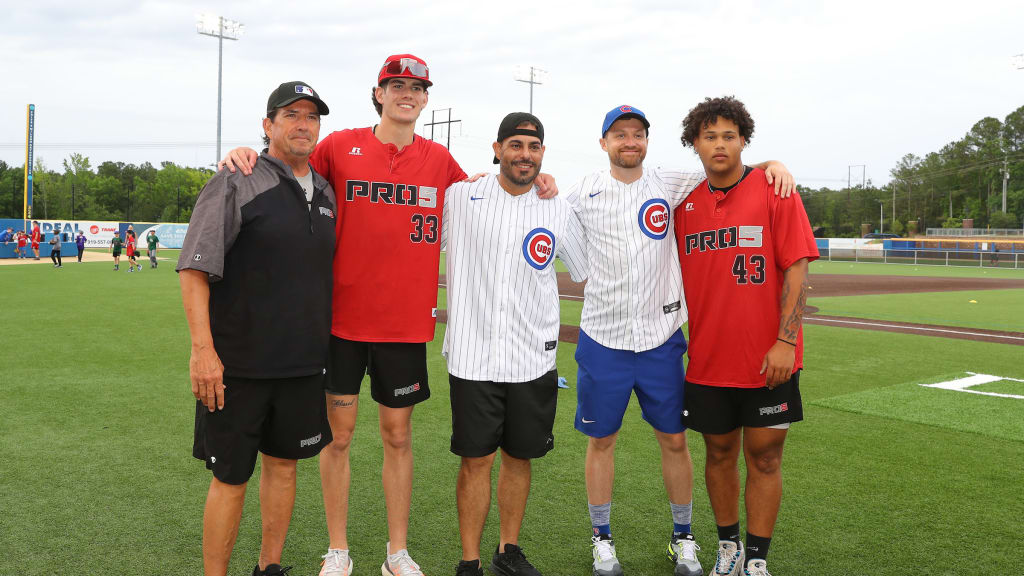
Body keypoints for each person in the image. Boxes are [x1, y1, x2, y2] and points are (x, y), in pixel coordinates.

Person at [220, 54, 557, 576]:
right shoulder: (339, 145)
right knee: (339, 436)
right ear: (378, 93)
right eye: (396, 85)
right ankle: (339, 549)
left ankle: (396, 552)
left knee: (398, 437)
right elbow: (292, 170)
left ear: (426, 98)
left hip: (403, 327)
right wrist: (247, 151)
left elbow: (491, 190)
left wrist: (541, 180)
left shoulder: (440, 161)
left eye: (417, 88)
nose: (407, 94)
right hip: (340, 323)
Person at [564, 105, 794, 576]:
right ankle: (601, 539)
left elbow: (728, 163)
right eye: (620, 135)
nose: (629, 142)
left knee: (674, 439)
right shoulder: (579, 194)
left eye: (638, 134)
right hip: (602, 338)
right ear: (603, 142)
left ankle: (683, 537)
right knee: (601, 440)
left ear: (647, 142)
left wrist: (773, 164)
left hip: (660, 339)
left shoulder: (672, 182)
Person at [177, 81, 337, 576]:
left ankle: (269, 567)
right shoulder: (235, 179)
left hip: (303, 363)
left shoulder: (326, 190)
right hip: (238, 366)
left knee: (285, 466)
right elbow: (195, 269)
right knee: (230, 476)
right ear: (268, 125)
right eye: (291, 114)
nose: (302, 124)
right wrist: (203, 351)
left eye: (311, 116)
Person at [673, 96, 818, 576]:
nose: (719, 144)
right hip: (709, 362)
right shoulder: (683, 204)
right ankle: (728, 548)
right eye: (709, 135)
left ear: (743, 141)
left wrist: (785, 341)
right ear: (695, 142)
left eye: (729, 136)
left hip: (769, 359)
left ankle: (756, 559)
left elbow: (796, 270)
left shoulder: (775, 190)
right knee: (717, 453)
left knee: (766, 457)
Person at [442, 113, 588, 576]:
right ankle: (470, 560)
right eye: (516, 145)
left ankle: (508, 551)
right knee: (475, 460)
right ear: (498, 147)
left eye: (534, 147)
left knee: (519, 457)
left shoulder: (556, 207)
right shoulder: (461, 197)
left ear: (542, 153)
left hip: (533, 357)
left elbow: (583, 267)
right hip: (474, 356)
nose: (525, 154)